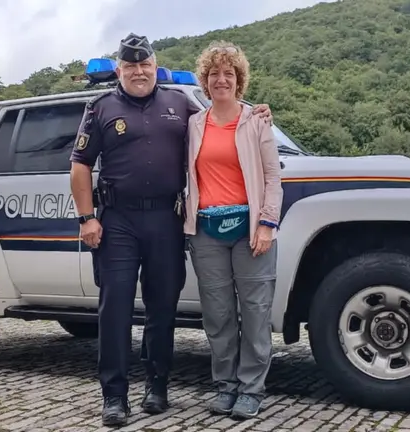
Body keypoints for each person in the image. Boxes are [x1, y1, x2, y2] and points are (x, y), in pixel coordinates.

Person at [69, 33, 273, 427]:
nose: (139, 72)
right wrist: (86, 217)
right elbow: (80, 164)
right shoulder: (101, 107)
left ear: (155, 65)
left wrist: (257, 111)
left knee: (162, 308)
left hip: (166, 218)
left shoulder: (180, 104)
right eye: (131, 66)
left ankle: (157, 387)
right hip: (118, 221)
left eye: (145, 64)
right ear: (119, 70)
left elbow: (223, 117)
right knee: (115, 309)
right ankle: (114, 396)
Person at [183, 40, 283, 420]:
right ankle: (225, 386)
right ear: (205, 81)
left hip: (250, 230)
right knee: (218, 313)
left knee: (255, 312)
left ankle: (251, 389)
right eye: (214, 73)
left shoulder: (256, 121)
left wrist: (267, 223)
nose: (221, 79)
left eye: (229, 73)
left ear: (239, 80)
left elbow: (273, 178)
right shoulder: (194, 124)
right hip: (207, 231)